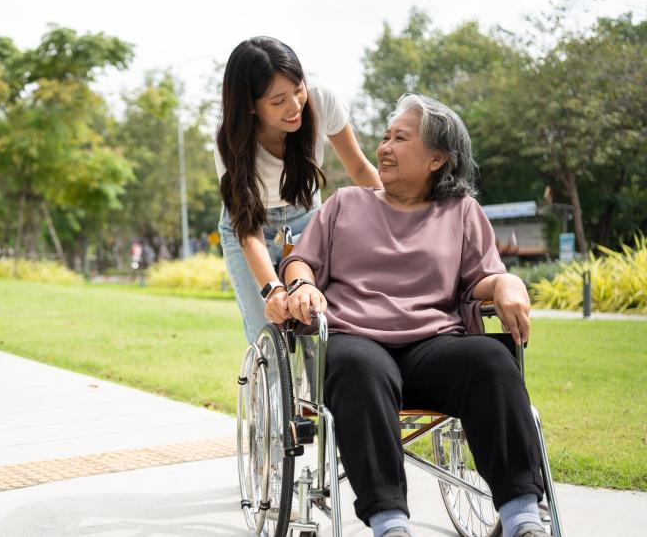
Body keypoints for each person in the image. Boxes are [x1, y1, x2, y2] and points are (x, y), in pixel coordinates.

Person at [277, 93, 548, 537]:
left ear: (436, 159)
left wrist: (506, 283)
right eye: (384, 137)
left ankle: (522, 519)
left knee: (490, 359)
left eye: (399, 138)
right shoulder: (346, 203)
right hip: (357, 339)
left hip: (432, 348)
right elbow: (300, 260)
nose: (383, 147)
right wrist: (302, 283)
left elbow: (481, 277)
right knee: (360, 365)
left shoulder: (460, 212)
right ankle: (391, 524)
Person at [215, 36, 383, 344]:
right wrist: (273, 290)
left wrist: (401, 217)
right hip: (252, 229)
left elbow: (360, 169)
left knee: (315, 323)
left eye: (298, 89)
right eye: (278, 101)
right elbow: (247, 228)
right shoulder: (231, 141)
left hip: (307, 220)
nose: (295, 107)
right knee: (270, 333)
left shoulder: (322, 103)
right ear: (251, 106)